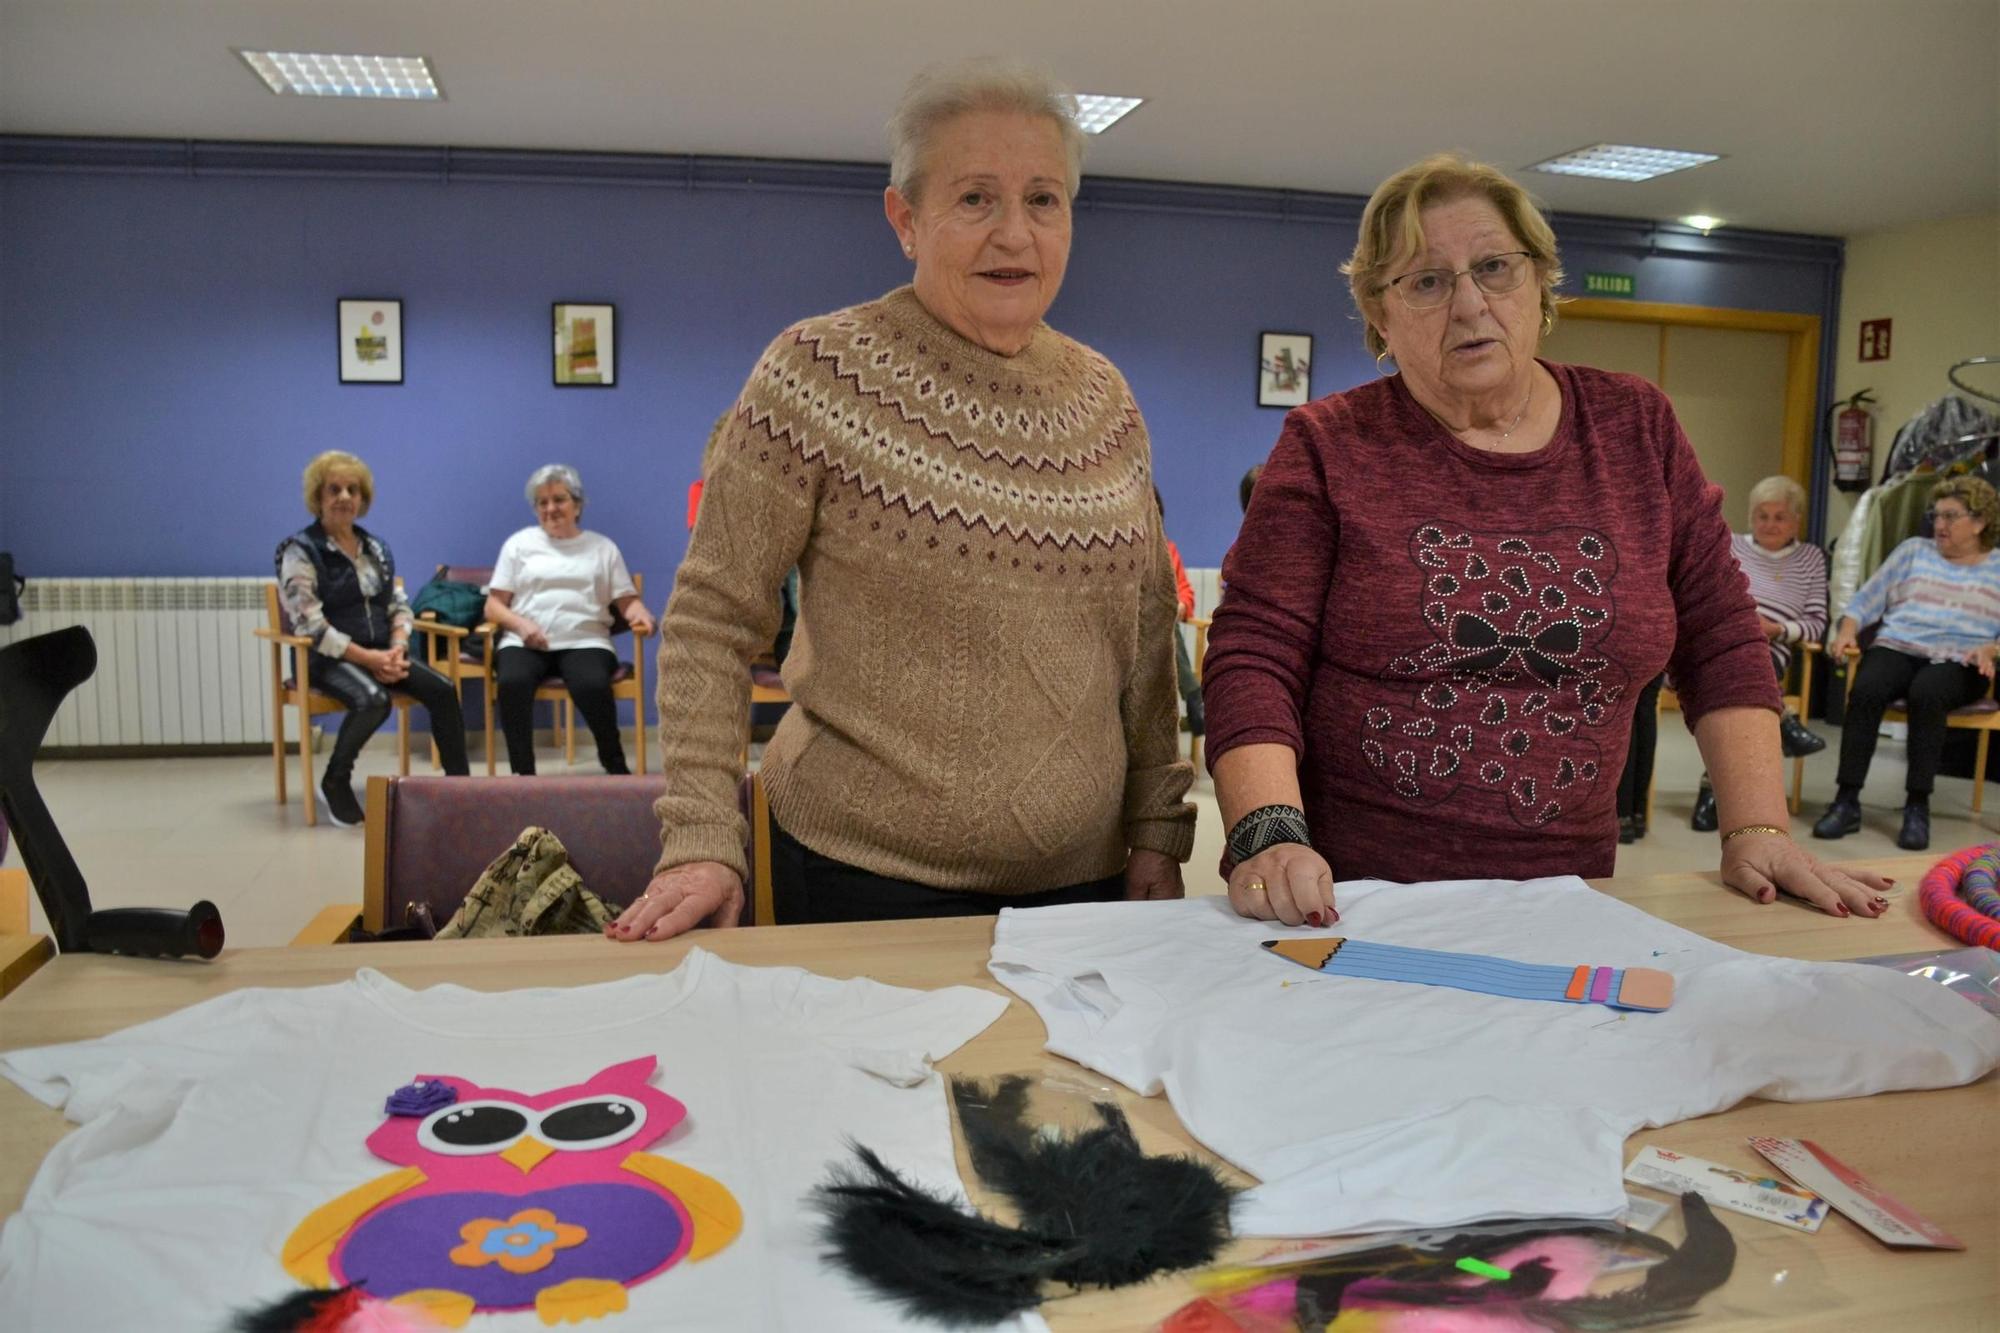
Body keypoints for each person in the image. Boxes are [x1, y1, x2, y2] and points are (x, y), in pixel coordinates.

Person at [1202, 152, 1892, 924]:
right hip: (1354, 902)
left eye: (1495, 267)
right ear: (1379, 315)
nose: (1469, 305)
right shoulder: (1331, 444)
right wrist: (1269, 831)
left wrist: (1759, 826)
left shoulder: (1637, 427)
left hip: (1573, 901)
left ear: (1539, 283)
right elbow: (1255, 651)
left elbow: (1721, 636)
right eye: (1426, 281)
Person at [609, 62, 1194, 941]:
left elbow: (1148, 633)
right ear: (905, 219)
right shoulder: (817, 372)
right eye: (974, 199)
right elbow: (710, 619)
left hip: (1089, 886)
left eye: (1043, 200)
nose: (1015, 234)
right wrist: (700, 833)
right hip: (858, 879)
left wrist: (1158, 825)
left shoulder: (1107, 399)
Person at [276, 451, 470, 825]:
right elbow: (310, 626)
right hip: (325, 658)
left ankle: (459, 788)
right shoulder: (299, 550)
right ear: (318, 497)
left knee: (443, 689)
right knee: (373, 700)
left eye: (353, 489)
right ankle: (335, 781)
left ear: (363, 498)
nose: (345, 497)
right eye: (334, 489)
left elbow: (397, 605)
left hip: (383, 651)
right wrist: (369, 659)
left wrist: (397, 647)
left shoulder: (376, 548)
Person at [1816, 475, 2000, 850]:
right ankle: (1846, 799)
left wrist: (1992, 649)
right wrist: (1848, 628)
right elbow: (1867, 599)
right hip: (1899, 645)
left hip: (1962, 659)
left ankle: (1917, 804)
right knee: (1867, 687)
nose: (1940, 524)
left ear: (1980, 521)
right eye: (1937, 515)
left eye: (1951, 516)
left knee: (1928, 693)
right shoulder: (1914, 550)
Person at [485, 465, 655, 776]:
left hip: (585, 640)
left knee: (591, 684)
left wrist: (640, 614)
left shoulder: (603, 548)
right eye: (542, 502)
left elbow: (627, 601)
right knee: (512, 682)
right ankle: (523, 776)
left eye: (559, 500)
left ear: (577, 504)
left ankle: (615, 766)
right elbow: (494, 605)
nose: (550, 509)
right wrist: (521, 625)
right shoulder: (518, 544)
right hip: (525, 641)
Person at [1690, 474, 1829, 830]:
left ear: (1796, 520)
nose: (1769, 524)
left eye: (1779, 516)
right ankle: (1786, 724)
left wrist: (1779, 629)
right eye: (1762, 515)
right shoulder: (1731, 545)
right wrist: (1743, 622)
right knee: (1735, 657)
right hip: (1721, 637)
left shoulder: (1812, 558)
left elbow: (1816, 623)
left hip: (1773, 647)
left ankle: (1711, 792)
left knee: (1745, 664)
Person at [1157, 487, 1205, 737]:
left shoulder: (1168, 549)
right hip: (1132, 636)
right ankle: (1195, 695)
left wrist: (1181, 606)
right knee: (1160, 619)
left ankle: (1194, 697)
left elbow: (1185, 591)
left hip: (1162, 636)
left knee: (1164, 621)